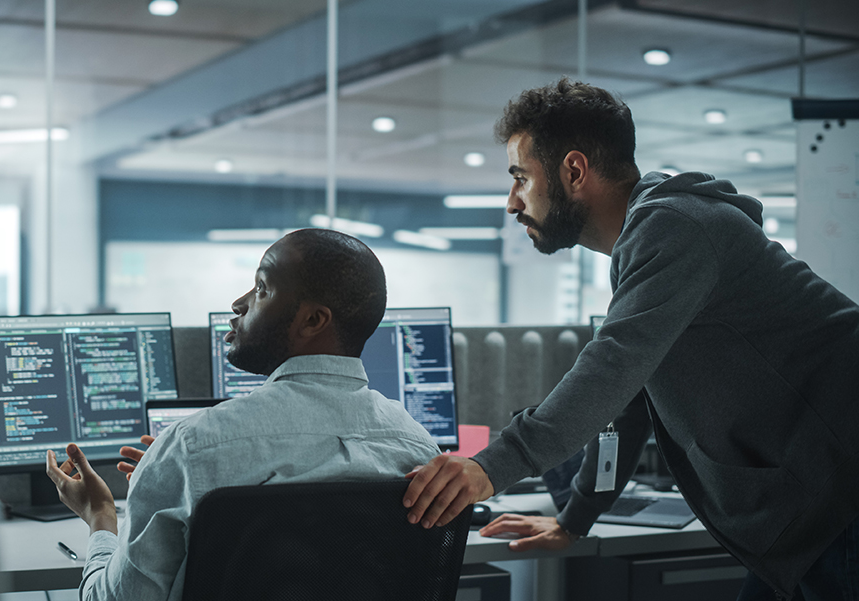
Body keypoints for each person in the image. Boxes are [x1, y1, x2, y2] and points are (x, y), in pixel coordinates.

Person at [401, 78, 859, 600]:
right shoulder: (650, 242)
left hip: (839, 497)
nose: (512, 202)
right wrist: (576, 519)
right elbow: (631, 402)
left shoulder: (675, 227)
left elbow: (610, 368)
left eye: (521, 178)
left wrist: (488, 468)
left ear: (574, 171)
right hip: (812, 505)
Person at [45, 229, 440, 601]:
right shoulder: (420, 450)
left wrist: (101, 517)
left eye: (263, 288)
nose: (240, 302)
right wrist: (170, 480)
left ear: (314, 320)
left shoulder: (191, 448)